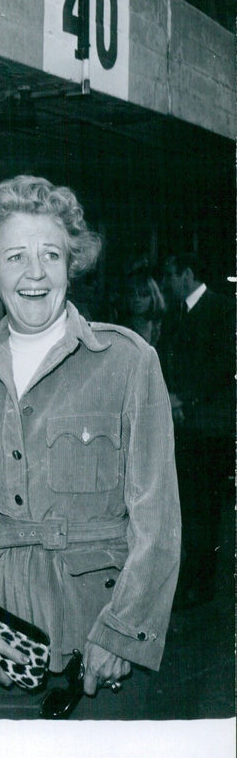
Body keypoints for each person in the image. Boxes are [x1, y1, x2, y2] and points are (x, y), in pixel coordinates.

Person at [0, 175, 180, 720]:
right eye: (15, 256)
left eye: (51, 255)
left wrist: (123, 632)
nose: (35, 273)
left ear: (73, 264)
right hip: (1, 646)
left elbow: (157, 521)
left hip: (99, 640)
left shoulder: (129, 362)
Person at [160, 253, 235, 608]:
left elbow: (223, 364)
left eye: (170, 277)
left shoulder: (221, 308)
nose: (165, 286)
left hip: (210, 428)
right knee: (190, 506)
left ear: (187, 274)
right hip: (189, 427)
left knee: (204, 508)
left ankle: (202, 585)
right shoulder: (179, 313)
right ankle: (193, 578)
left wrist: (185, 398)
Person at [120, 264, 166, 347]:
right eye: (132, 295)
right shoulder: (121, 330)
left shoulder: (163, 326)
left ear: (153, 298)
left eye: (143, 295)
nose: (137, 300)